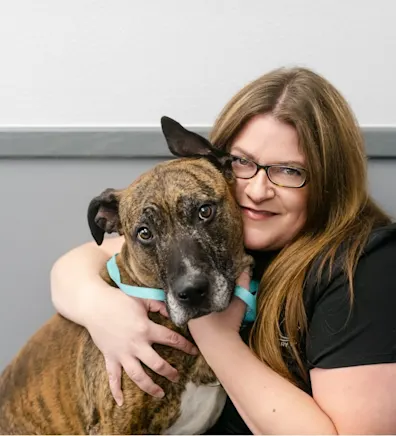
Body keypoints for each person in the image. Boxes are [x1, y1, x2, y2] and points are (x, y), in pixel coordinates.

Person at [50, 66, 396, 434]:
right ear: (218, 162)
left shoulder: (366, 265)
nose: (257, 190)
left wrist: (215, 335)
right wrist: (100, 307)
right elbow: (86, 259)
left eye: (289, 171)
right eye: (243, 163)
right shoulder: (234, 228)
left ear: (330, 179)